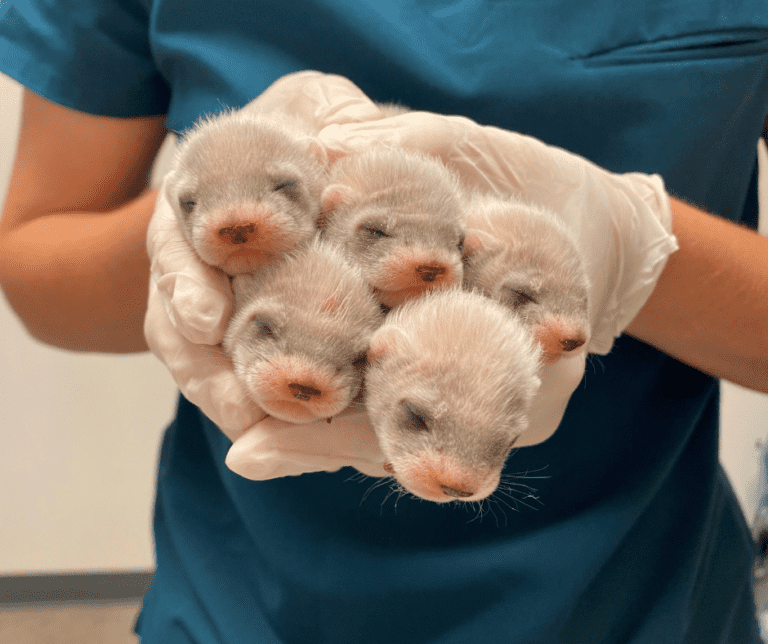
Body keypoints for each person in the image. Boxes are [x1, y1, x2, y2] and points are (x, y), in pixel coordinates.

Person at [1, 2, 767, 642]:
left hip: (645, 603)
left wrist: (642, 250)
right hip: (242, 606)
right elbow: (38, 273)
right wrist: (196, 233)